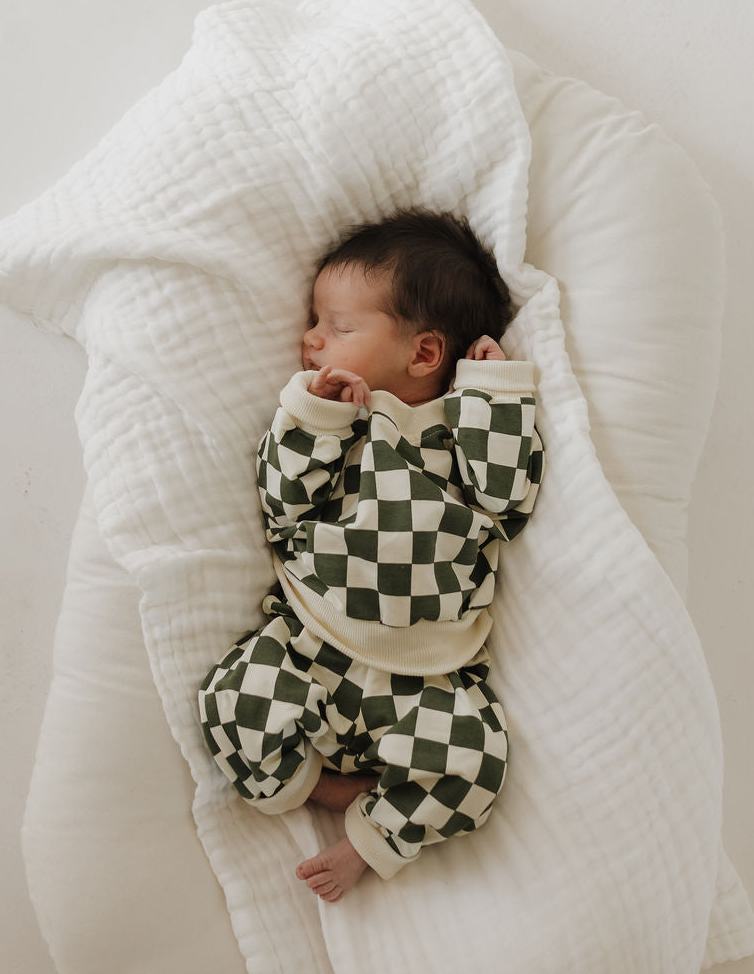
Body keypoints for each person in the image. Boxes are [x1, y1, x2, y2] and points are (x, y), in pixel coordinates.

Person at [198, 207, 544, 901]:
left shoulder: (455, 435)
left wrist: (493, 398)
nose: (311, 338)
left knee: (478, 761)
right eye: (317, 322)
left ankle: (373, 837)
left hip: (429, 673)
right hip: (311, 639)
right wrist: (320, 417)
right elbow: (281, 500)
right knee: (230, 702)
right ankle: (324, 787)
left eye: (338, 326)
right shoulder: (336, 424)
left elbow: (507, 499)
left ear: (423, 354)